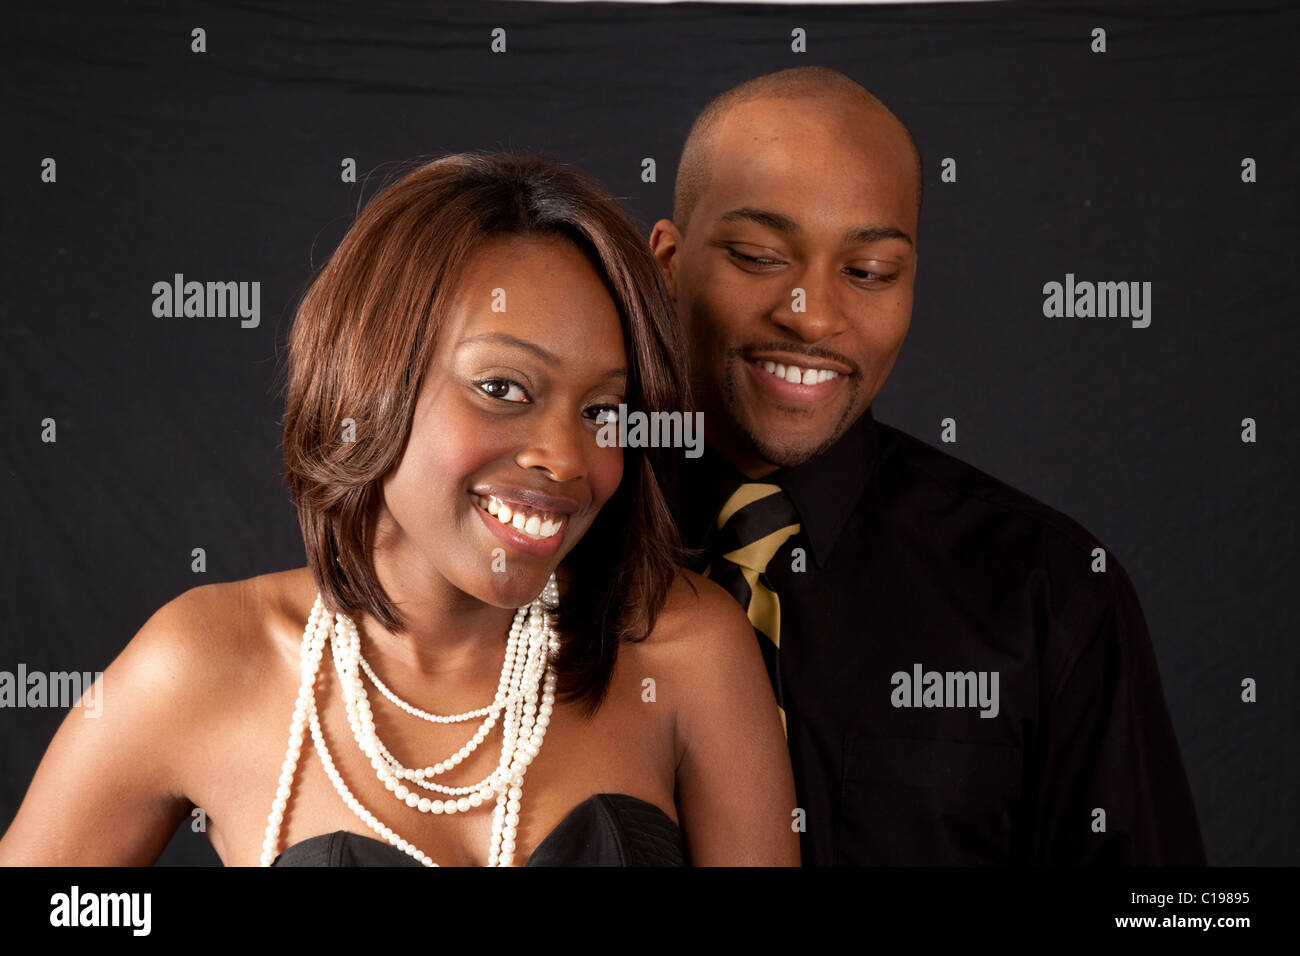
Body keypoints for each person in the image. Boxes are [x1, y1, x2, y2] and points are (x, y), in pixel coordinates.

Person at [0, 153, 798, 867]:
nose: (566, 457)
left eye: (602, 410)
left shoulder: (685, 653)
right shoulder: (205, 664)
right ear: (369, 383)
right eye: (502, 389)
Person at [649, 67, 1206, 865]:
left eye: (869, 272)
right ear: (666, 264)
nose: (812, 316)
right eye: (759, 255)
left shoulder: (1049, 594)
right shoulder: (550, 549)